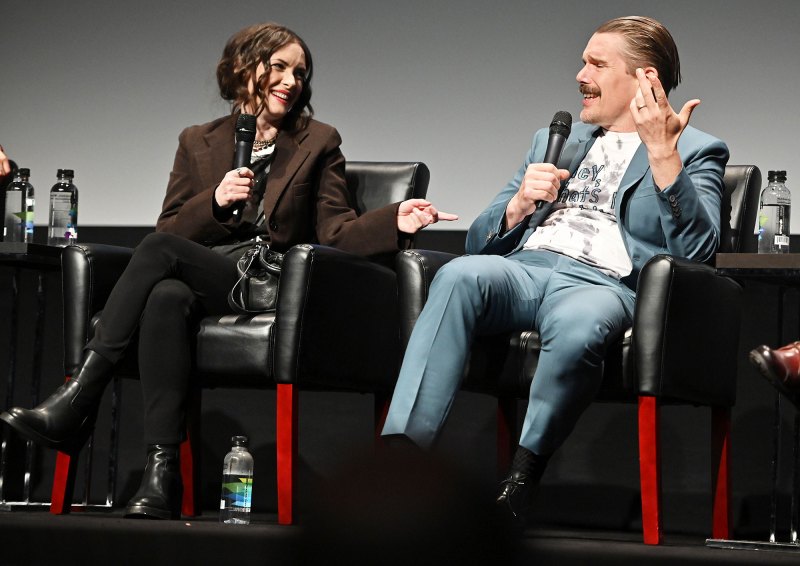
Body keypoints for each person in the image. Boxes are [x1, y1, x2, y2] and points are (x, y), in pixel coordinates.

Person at [0, 22, 455, 520]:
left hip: (268, 282)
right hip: (210, 274)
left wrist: (395, 219)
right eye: (278, 67)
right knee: (165, 297)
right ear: (244, 70)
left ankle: (79, 396)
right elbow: (171, 225)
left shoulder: (318, 141)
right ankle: (161, 474)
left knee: (157, 255)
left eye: (300, 72)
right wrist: (214, 202)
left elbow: (336, 232)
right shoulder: (197, 141)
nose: (291, 81)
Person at [381, 15, 729, 524]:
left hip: (606, 283)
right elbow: (480, 241)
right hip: (528, 268)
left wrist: (662, 155)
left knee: (579, 325)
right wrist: (519, 204)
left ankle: (523, 475)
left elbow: (697, 251)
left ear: (645, 78)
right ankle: (400, 460)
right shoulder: (554, 140)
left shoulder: (695, 149)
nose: (579, 74)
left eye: (595, 63)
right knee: (457, 276)